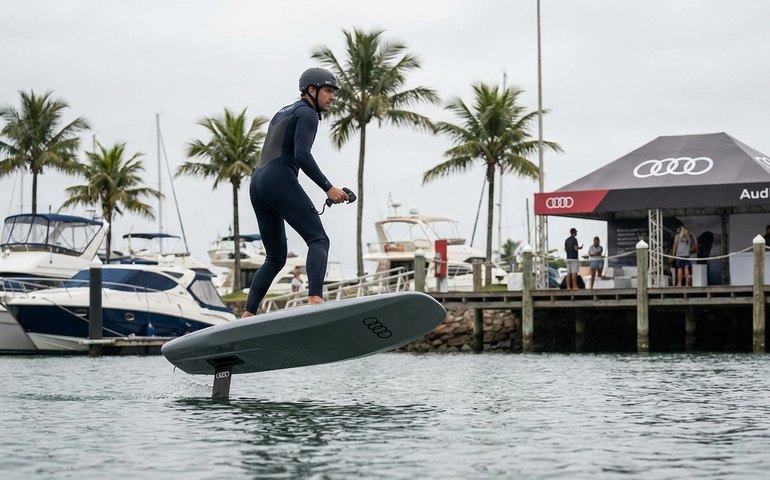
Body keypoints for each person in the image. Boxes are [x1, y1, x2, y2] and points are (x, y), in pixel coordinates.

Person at [242, 67, 349, 318]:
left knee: (275, 257)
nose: (332, 97)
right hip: (279, 179)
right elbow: (302, 155)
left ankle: (248, 313)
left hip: (257, 183)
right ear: (312, 90)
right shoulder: (308, 114)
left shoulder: (283, 111)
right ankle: (315, 299)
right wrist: (328, 187)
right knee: (318, 239)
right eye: (328, 91)